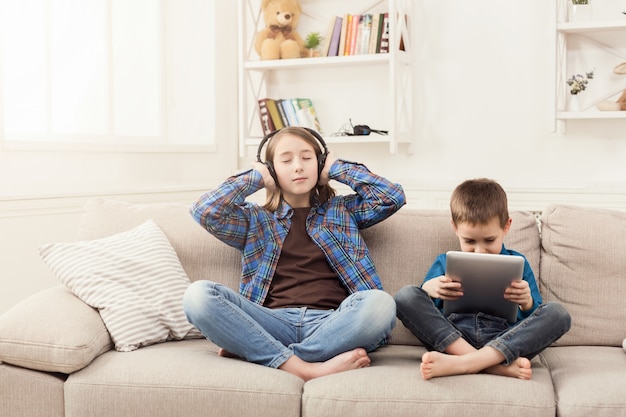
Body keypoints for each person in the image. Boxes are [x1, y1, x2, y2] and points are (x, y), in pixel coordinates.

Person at [183, 126, 405, 381]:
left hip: (333, 323)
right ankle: (308, 368)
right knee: (197, 295)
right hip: (270, 323)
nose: (298, 166)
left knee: (381, 303)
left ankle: (263, 352)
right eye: (286, 160)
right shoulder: (254, 219)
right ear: (271, 169)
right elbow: (204, 211)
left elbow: (391, 197)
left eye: (307, 158)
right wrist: (254, 177)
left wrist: (337, 168)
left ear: (320, 163)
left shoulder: (342, 211)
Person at [394, 178, 571, 380]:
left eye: (489, 240)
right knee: (405, 296)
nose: (480, 250)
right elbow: (425, 309)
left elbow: (534, 315)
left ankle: (465, 363)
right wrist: (429, 288)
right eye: (469, 241)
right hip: (453, 337)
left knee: (558, 314)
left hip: (503, 340)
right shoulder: (444, 262)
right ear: (455, 228)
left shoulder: (518, 262)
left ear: (506, 226)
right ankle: (491, 366)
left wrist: (526, 302)